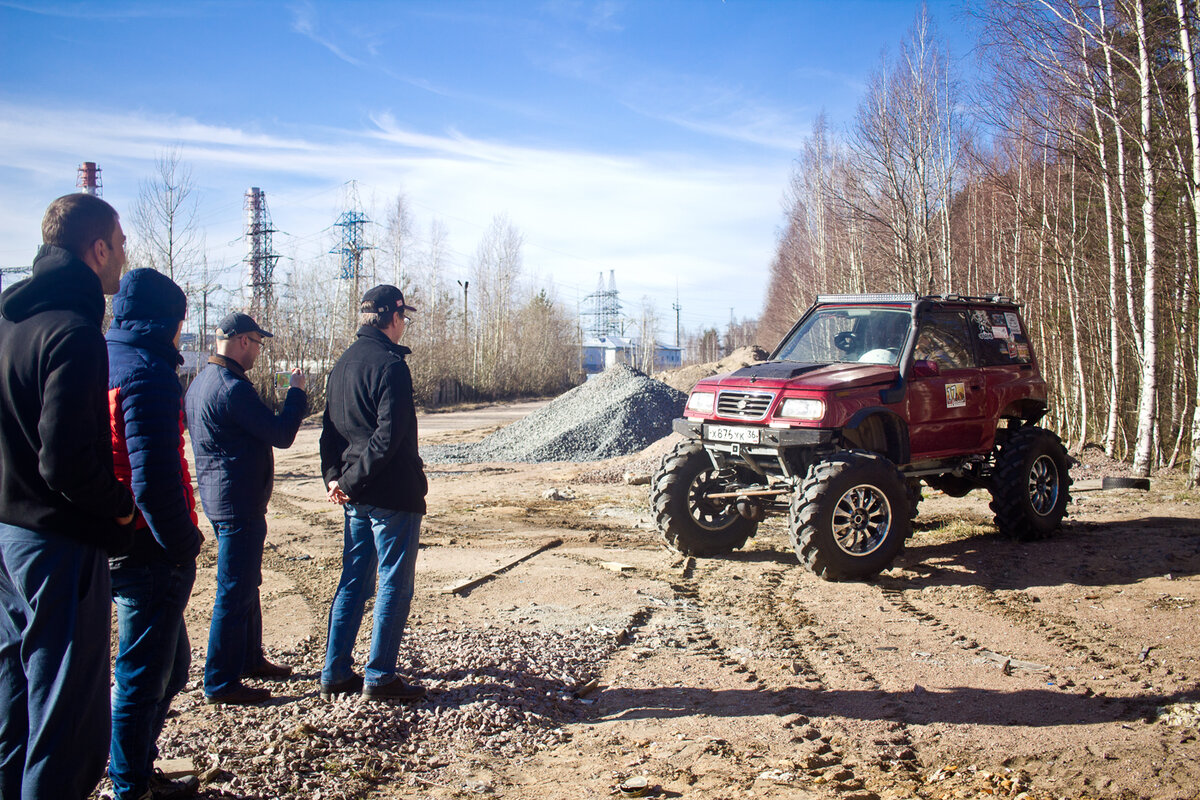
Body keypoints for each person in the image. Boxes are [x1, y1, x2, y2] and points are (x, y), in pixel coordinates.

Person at [0, 194, 136, 799]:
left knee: (15, 700)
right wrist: (121, 508)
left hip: (6, 538)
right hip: (58, 545)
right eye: (121, 244)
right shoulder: (75, 333)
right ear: (97, 249)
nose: (124, 258)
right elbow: (67, 463)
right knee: (65, 714)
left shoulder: (8, 322)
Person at [105, 269, 204, 800]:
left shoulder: (102, 358)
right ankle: (130, 786)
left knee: (168, 669)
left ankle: (134, 771)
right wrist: (185, 543)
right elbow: (155, 478)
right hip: (149, 552)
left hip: (121, 543)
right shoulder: (147, 373)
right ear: (169, 321)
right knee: (144, 678)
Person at [185, 312, 307, 705]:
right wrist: (295, 392)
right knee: (234, 590)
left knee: (245, 583)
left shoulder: (200, 383)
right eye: (258, 342)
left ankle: (250, 658)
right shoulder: (232, 388)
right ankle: (219, 680)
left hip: (222, 499)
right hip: (239, 504)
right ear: (242, 341)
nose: (259, 350)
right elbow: (282, 434)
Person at [319, 285, 428, 702]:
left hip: (354, 495)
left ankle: (335, 671)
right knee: (393, 586)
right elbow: (387, 438)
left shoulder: (341, 365)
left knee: (352, 582)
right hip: (390, 495)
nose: (405, 326)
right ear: (394, 317)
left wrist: (335, 477)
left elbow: (330, 432)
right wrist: (347, 482)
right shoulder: (391, 367)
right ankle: (379, 676)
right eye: (405, 318)